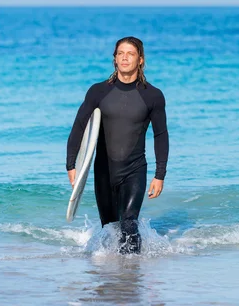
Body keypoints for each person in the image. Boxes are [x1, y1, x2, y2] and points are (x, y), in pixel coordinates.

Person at [66, 36, 169, 254]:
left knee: (130, 224)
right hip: (104, 171)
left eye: (130, 54)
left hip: (134, 169)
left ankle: (131, 276)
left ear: (140, 60)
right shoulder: (98, 91)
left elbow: (161, 135)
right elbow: (79, 126)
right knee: (110, 228)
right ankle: (112, 280)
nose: (125, 58)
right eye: (120, 53)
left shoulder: (153, 96)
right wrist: (71, 164)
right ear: (114, 59)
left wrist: (160, 175)